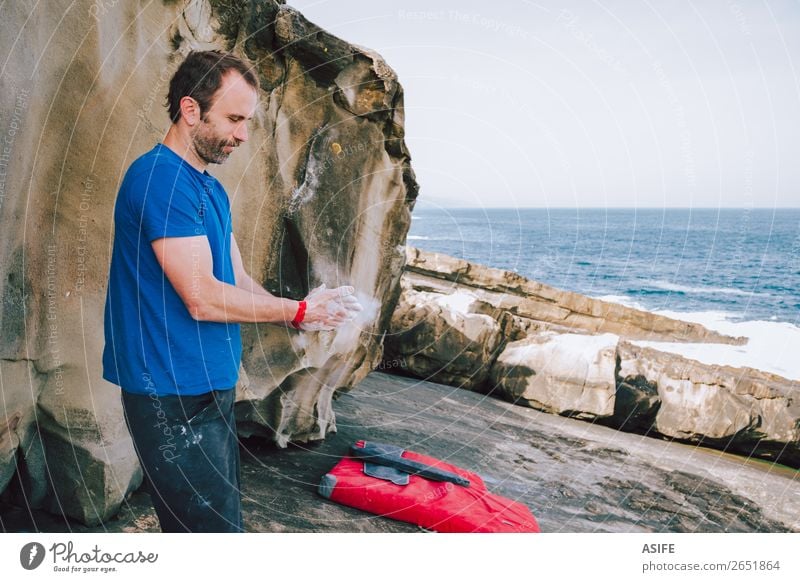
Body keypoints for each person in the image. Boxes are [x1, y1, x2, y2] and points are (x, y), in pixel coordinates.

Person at [102, 50, 359, 532]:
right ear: (191, 109)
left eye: (248, 121)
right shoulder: (160, 180)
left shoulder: (209, 190)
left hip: (208, 386)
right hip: (172, 393)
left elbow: (235, 280)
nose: (243, 134)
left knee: (217, 525)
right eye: (234, 119)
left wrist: (301, 315)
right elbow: (201, 296)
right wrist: (298, 309)